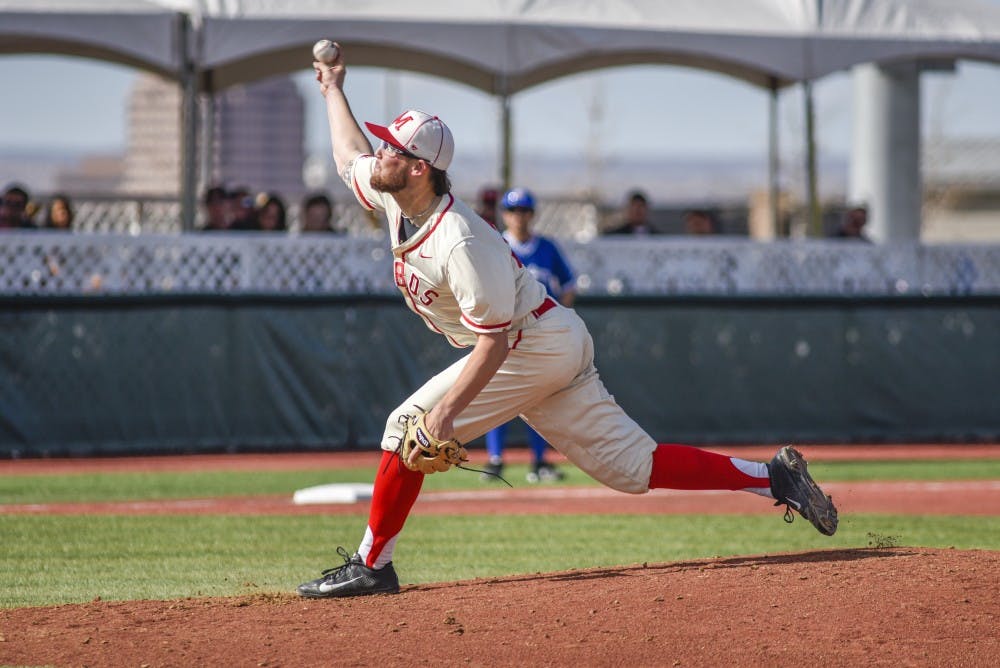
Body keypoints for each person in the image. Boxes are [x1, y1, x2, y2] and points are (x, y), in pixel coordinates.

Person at [297, 44, 838, 599]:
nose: (379, 151)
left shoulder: (460, 240)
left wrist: (444, 416)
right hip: (545, 340)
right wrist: (333, 88)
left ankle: (372, 565)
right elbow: (347, 158)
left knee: (404, 427)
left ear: (418, 168)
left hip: (530, 343)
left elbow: (494, 345)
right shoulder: (398, 200)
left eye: (391, 146)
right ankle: (773, 477)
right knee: (633, 469)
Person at [482, 186, 576, 484]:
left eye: (524, 210)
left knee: (540, 398)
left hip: (541, 336)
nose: (518, 216)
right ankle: (495, 461)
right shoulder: (497, 245)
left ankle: (539, 462)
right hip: (505, 334)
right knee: (496, 397)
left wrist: (559, 314)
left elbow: (569, 284)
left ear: (532, 214)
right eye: (512, 210)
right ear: (504, 215)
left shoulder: (547, 248)